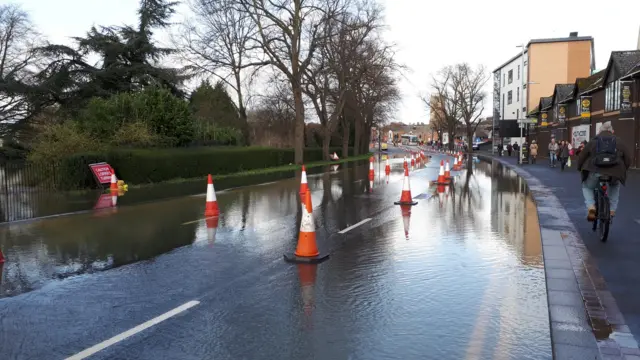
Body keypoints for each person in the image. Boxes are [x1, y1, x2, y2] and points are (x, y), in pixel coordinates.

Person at [577, 122, 632, 220]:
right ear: (612, 131)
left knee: (587, 186)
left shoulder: (594, 141)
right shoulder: (619, 141)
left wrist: (579, 167)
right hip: (615, 172)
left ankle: (591, 207)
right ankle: (611, 210)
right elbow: (628, 158)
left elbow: (582, 156)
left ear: (600, 131)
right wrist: (623, 170)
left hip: (595, 170)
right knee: (615, 186)